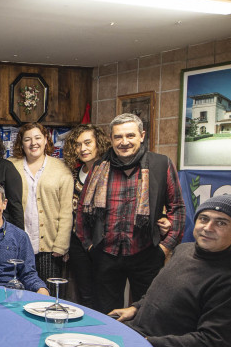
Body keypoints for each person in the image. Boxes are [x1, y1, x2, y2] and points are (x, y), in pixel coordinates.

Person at [110, 194, 231, 347]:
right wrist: (135, 307)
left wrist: (148, 342)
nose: (208, 228)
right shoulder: (184, 250)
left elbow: (209, 342)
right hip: (139, 339)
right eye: (204, 219)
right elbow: (159, 292)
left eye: (221, 223)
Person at [76, 113, 185, 313]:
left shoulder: (161, 164)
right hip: (105, 255)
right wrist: (89, 246)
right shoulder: (99, 167)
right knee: (106, 316)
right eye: (118, 137)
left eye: (130, 136)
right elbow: (82, 211)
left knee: (147, 313)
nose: (124, 142)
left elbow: (177, 208)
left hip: (146, 253)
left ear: (141, 136)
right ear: (111, 139)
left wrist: (164, 248)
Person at [9, 123, 73, 282]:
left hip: (50, 247)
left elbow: (66, 210)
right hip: (17, 244)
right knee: (18, 290)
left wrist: (61, 244)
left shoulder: (61, 168)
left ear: (46, 140)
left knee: (49, 293)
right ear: (21, 143)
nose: (33, 143)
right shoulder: (10, 166)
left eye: (38, 138)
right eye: (27, 139)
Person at [62, 124, 110, 309]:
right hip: (78, 242)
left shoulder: (109, 171)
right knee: (84, 293)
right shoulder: (73, 173)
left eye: (88, 142)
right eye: (78, 144)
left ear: (99, 143)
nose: (83, 148)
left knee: (104, 292)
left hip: (102, 242)